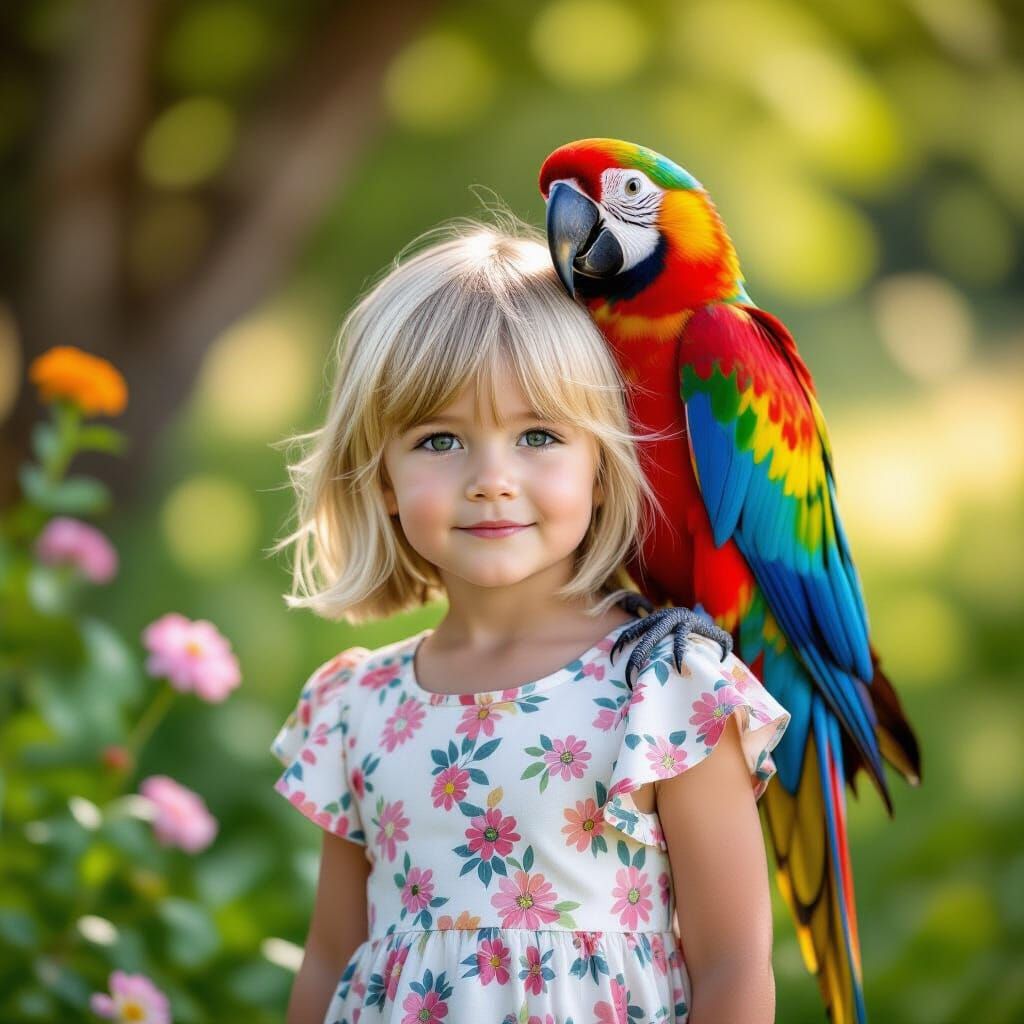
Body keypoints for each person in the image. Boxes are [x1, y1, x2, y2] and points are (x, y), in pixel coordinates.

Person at [268, 216, 792, 1024]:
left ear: (603, 469)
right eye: (440, 440)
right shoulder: (353, 705)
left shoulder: (662, 686)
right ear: (379, 477)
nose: (492, 480)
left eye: (538, 435)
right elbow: (332, 958)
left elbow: (732, 965)